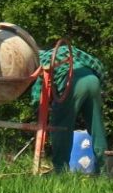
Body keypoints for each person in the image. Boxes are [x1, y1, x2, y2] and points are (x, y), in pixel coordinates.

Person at [29, 42, 107, 174]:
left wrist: (37, 106)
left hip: (72, 84)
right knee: (96, 127)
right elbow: (97, 64)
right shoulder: (68, 50)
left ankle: (61, 170)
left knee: (61, 127)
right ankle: (104, 169)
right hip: (93, 80)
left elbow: (38, 94)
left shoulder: (40, 61)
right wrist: (102, 86)